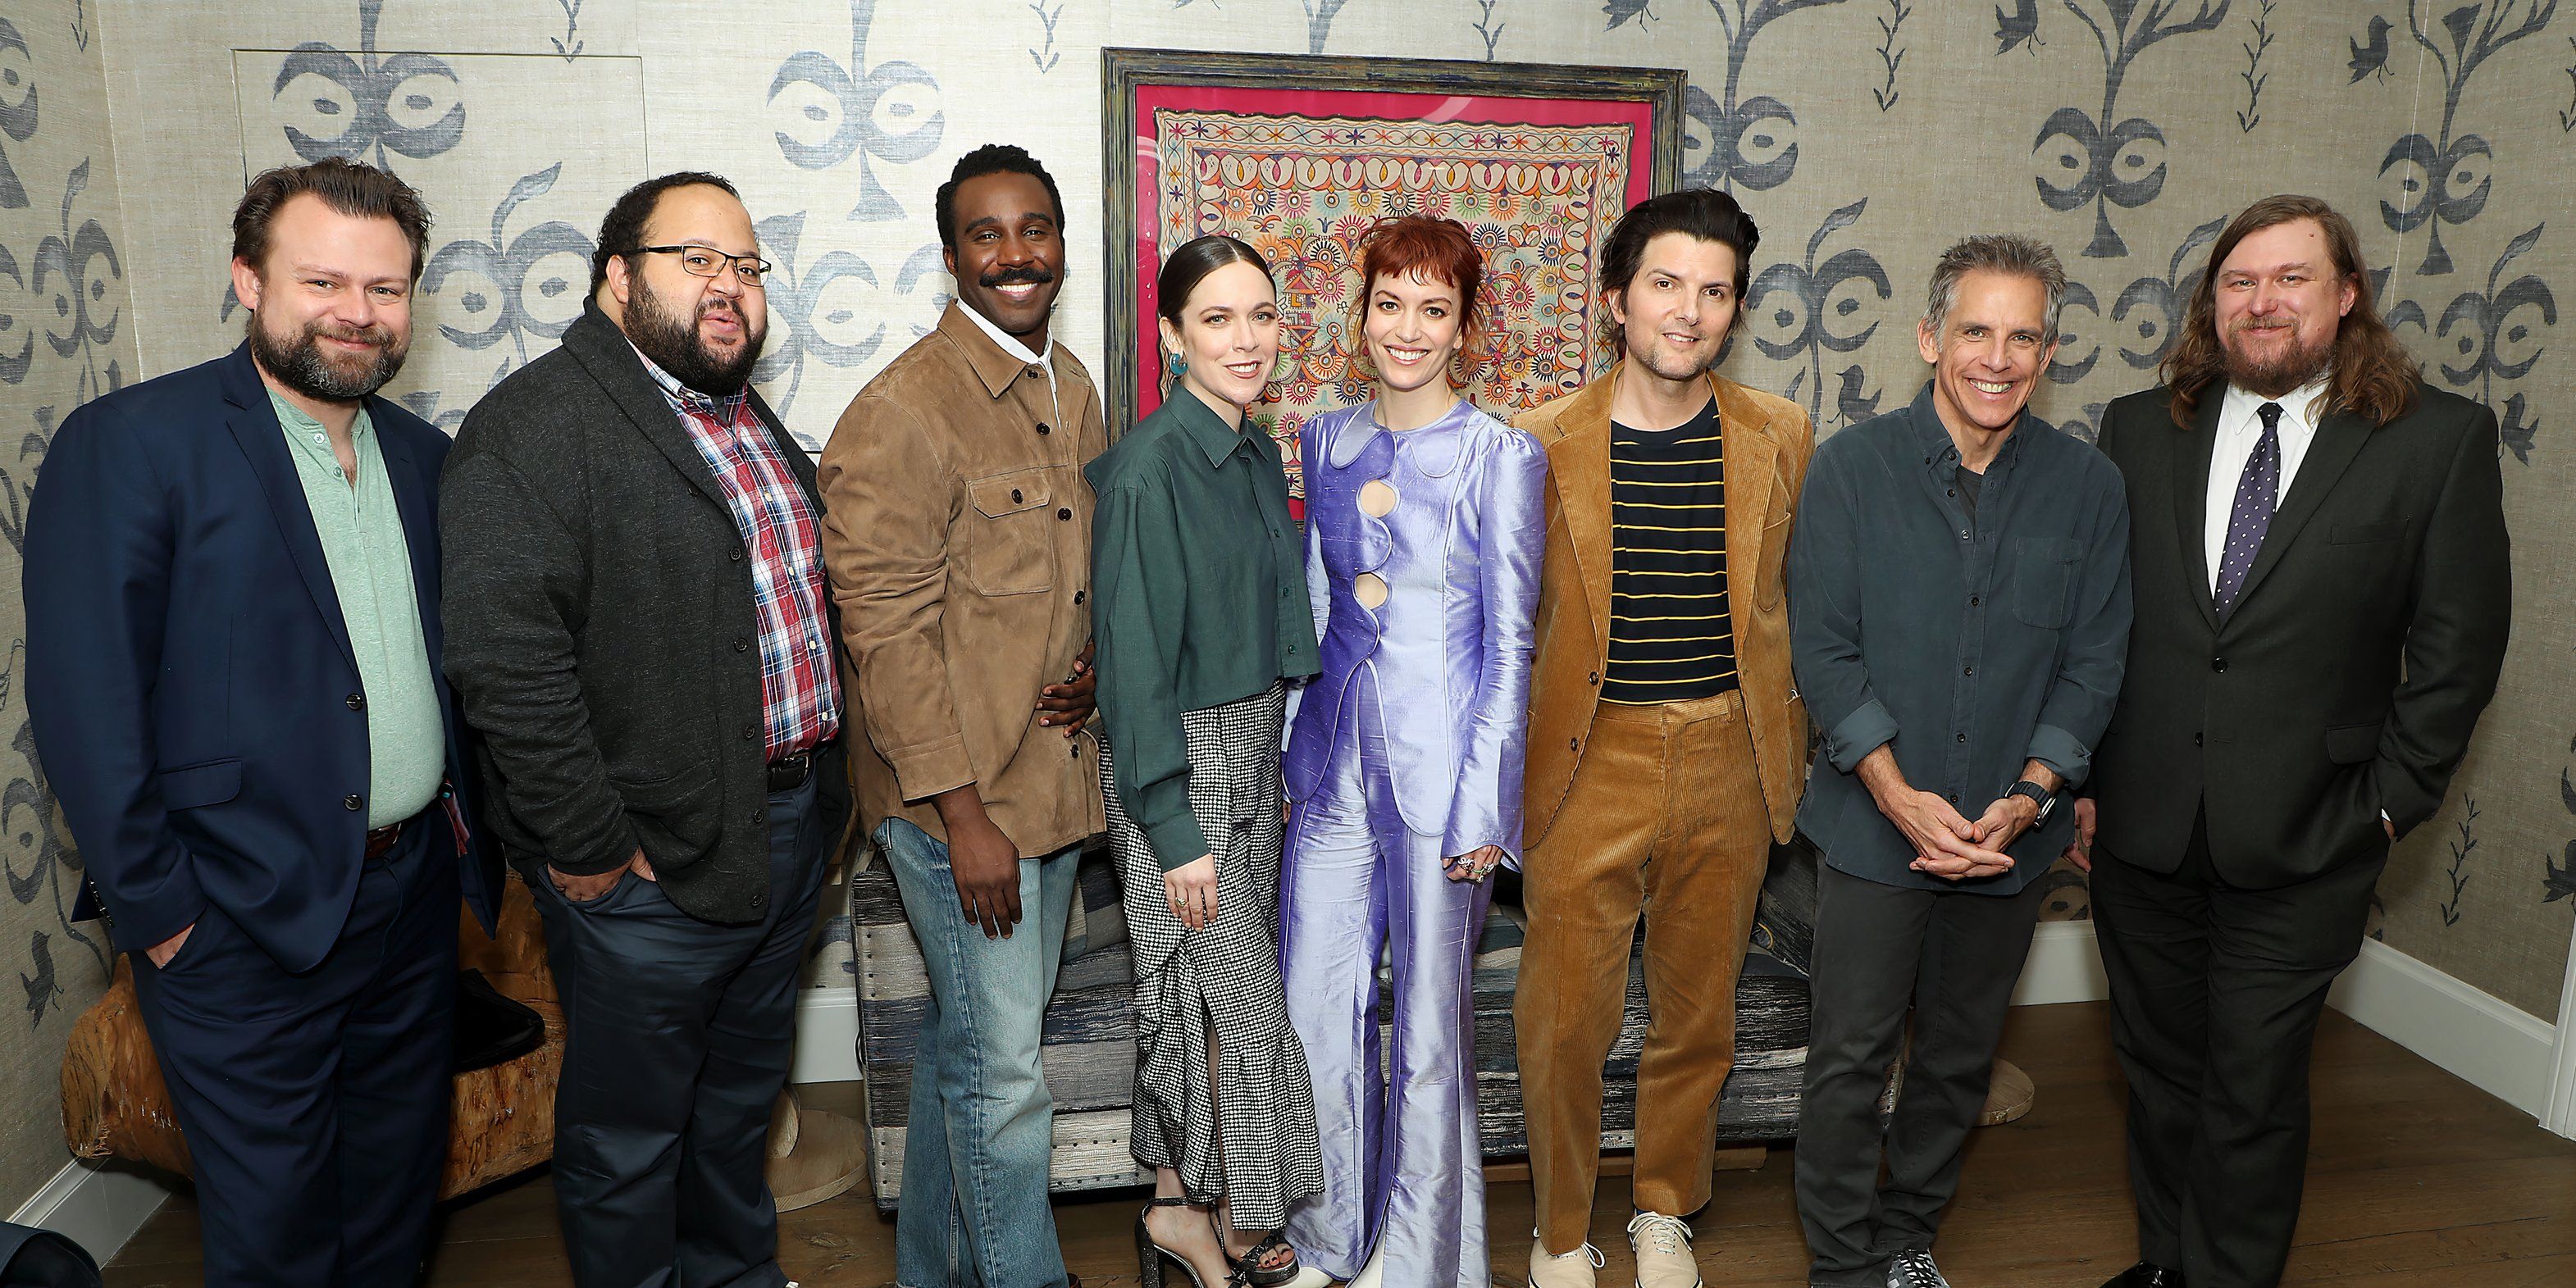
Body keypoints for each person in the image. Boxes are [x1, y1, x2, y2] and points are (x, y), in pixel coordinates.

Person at [25, 157, 495, 1287]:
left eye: (386, 289)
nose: (357, 312)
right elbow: (87, 698)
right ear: (248, 279)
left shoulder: (430, 462)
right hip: (233, 916)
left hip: (411, 901)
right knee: (276, 1232)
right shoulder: (133, 441)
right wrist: (163, 910)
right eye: (322, 280)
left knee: (392, 1203)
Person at [2078, 194, 2510, 1288]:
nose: (2261, 301)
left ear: (2346, 293)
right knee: (2158, 1067)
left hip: (2315, 829)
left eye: (2290, 278)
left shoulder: (2434, 439)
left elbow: (2458, 646)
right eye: (2238, 281)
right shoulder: (2139, 427)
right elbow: (2097, 620)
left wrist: (2388, 800)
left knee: (2251, 1084)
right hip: (2143, 825)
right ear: (2210, 302)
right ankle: (2165, 1262)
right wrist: (2080, 780)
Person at [440, 171, 852, 1288]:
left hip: (780, 833)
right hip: (646, 866)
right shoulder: (532, 428)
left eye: (748, 265)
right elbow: (505, 662)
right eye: (697, 259)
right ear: (617, 278)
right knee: (629, 1144)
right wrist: (587, 844)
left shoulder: (739, 415)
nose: (730, 287)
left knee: (731, 1115)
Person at [1786, 234, 2131, 1288]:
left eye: (2022, 334)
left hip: (2005, 845)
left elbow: (2094, 662)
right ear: (1931, 335)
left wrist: (2028, 804)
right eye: (1976, 329)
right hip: (1870, 830)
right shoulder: (1853, 466)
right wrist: (1896, 795)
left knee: (1957, 1060)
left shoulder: (2089, 487)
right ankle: (1842, 1266)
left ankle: (1905, 1242)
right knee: (1849, 1062)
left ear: (2050, 350)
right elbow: (1826, 649)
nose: (1998, 355)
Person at [1512, 188, 1814, 1288]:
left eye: (1714, 289)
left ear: (1734, 308)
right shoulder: (1536, 443)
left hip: (1731, 755)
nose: (1688, 310)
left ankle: (1663, 1208)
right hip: (1588, 757)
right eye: (1664, 283)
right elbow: (1503, 625)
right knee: (1562, 1019)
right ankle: (1558, 1227)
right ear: (1615, 302)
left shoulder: (1781, 433)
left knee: (1699, 1010)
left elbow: (1798, 607)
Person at [817, 143, 1098, 1288]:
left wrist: (1093, 664)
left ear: (1060, 244)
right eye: (987, 234)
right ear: (950, 256)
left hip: (1048, 779)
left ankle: (934, 1271)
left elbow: (1077, 569)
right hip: (956, 805)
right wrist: (960, 814)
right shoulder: (899, 411)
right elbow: (882, 635)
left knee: (969, 1050)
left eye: (1033, 228)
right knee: (1008, 1078)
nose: (1014, 253)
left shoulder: (1067, 383)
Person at [1276, 215, 1548, 1288]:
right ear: (1362, 314)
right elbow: (1311, 605)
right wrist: (1296, 766)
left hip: (1446, 789)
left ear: (1465, 329)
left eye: (1433, 308)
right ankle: (1325, 1237)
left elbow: (1513, 644)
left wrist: (1487, 802)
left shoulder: (1502, 455)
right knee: (1314, 1009)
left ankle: (1428, 1260)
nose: (1407, 327)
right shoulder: (1322, 441)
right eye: (1389, 302)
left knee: (1431, 1033)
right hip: (1330, 771)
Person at [1087, 234, 1329, 1288]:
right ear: (1172, 337)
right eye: (1218, 319)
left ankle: (1176, 1210)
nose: (1247, 339)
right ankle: (1233, 1215)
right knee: (1239, 1003)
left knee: (1198, 999)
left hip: (1246, 753)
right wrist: (1174, 828)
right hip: (1174, 770)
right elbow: (1131, 668)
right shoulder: (1149, 469)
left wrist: (1269, 761)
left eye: (1262, 315)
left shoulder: (1252, 448)